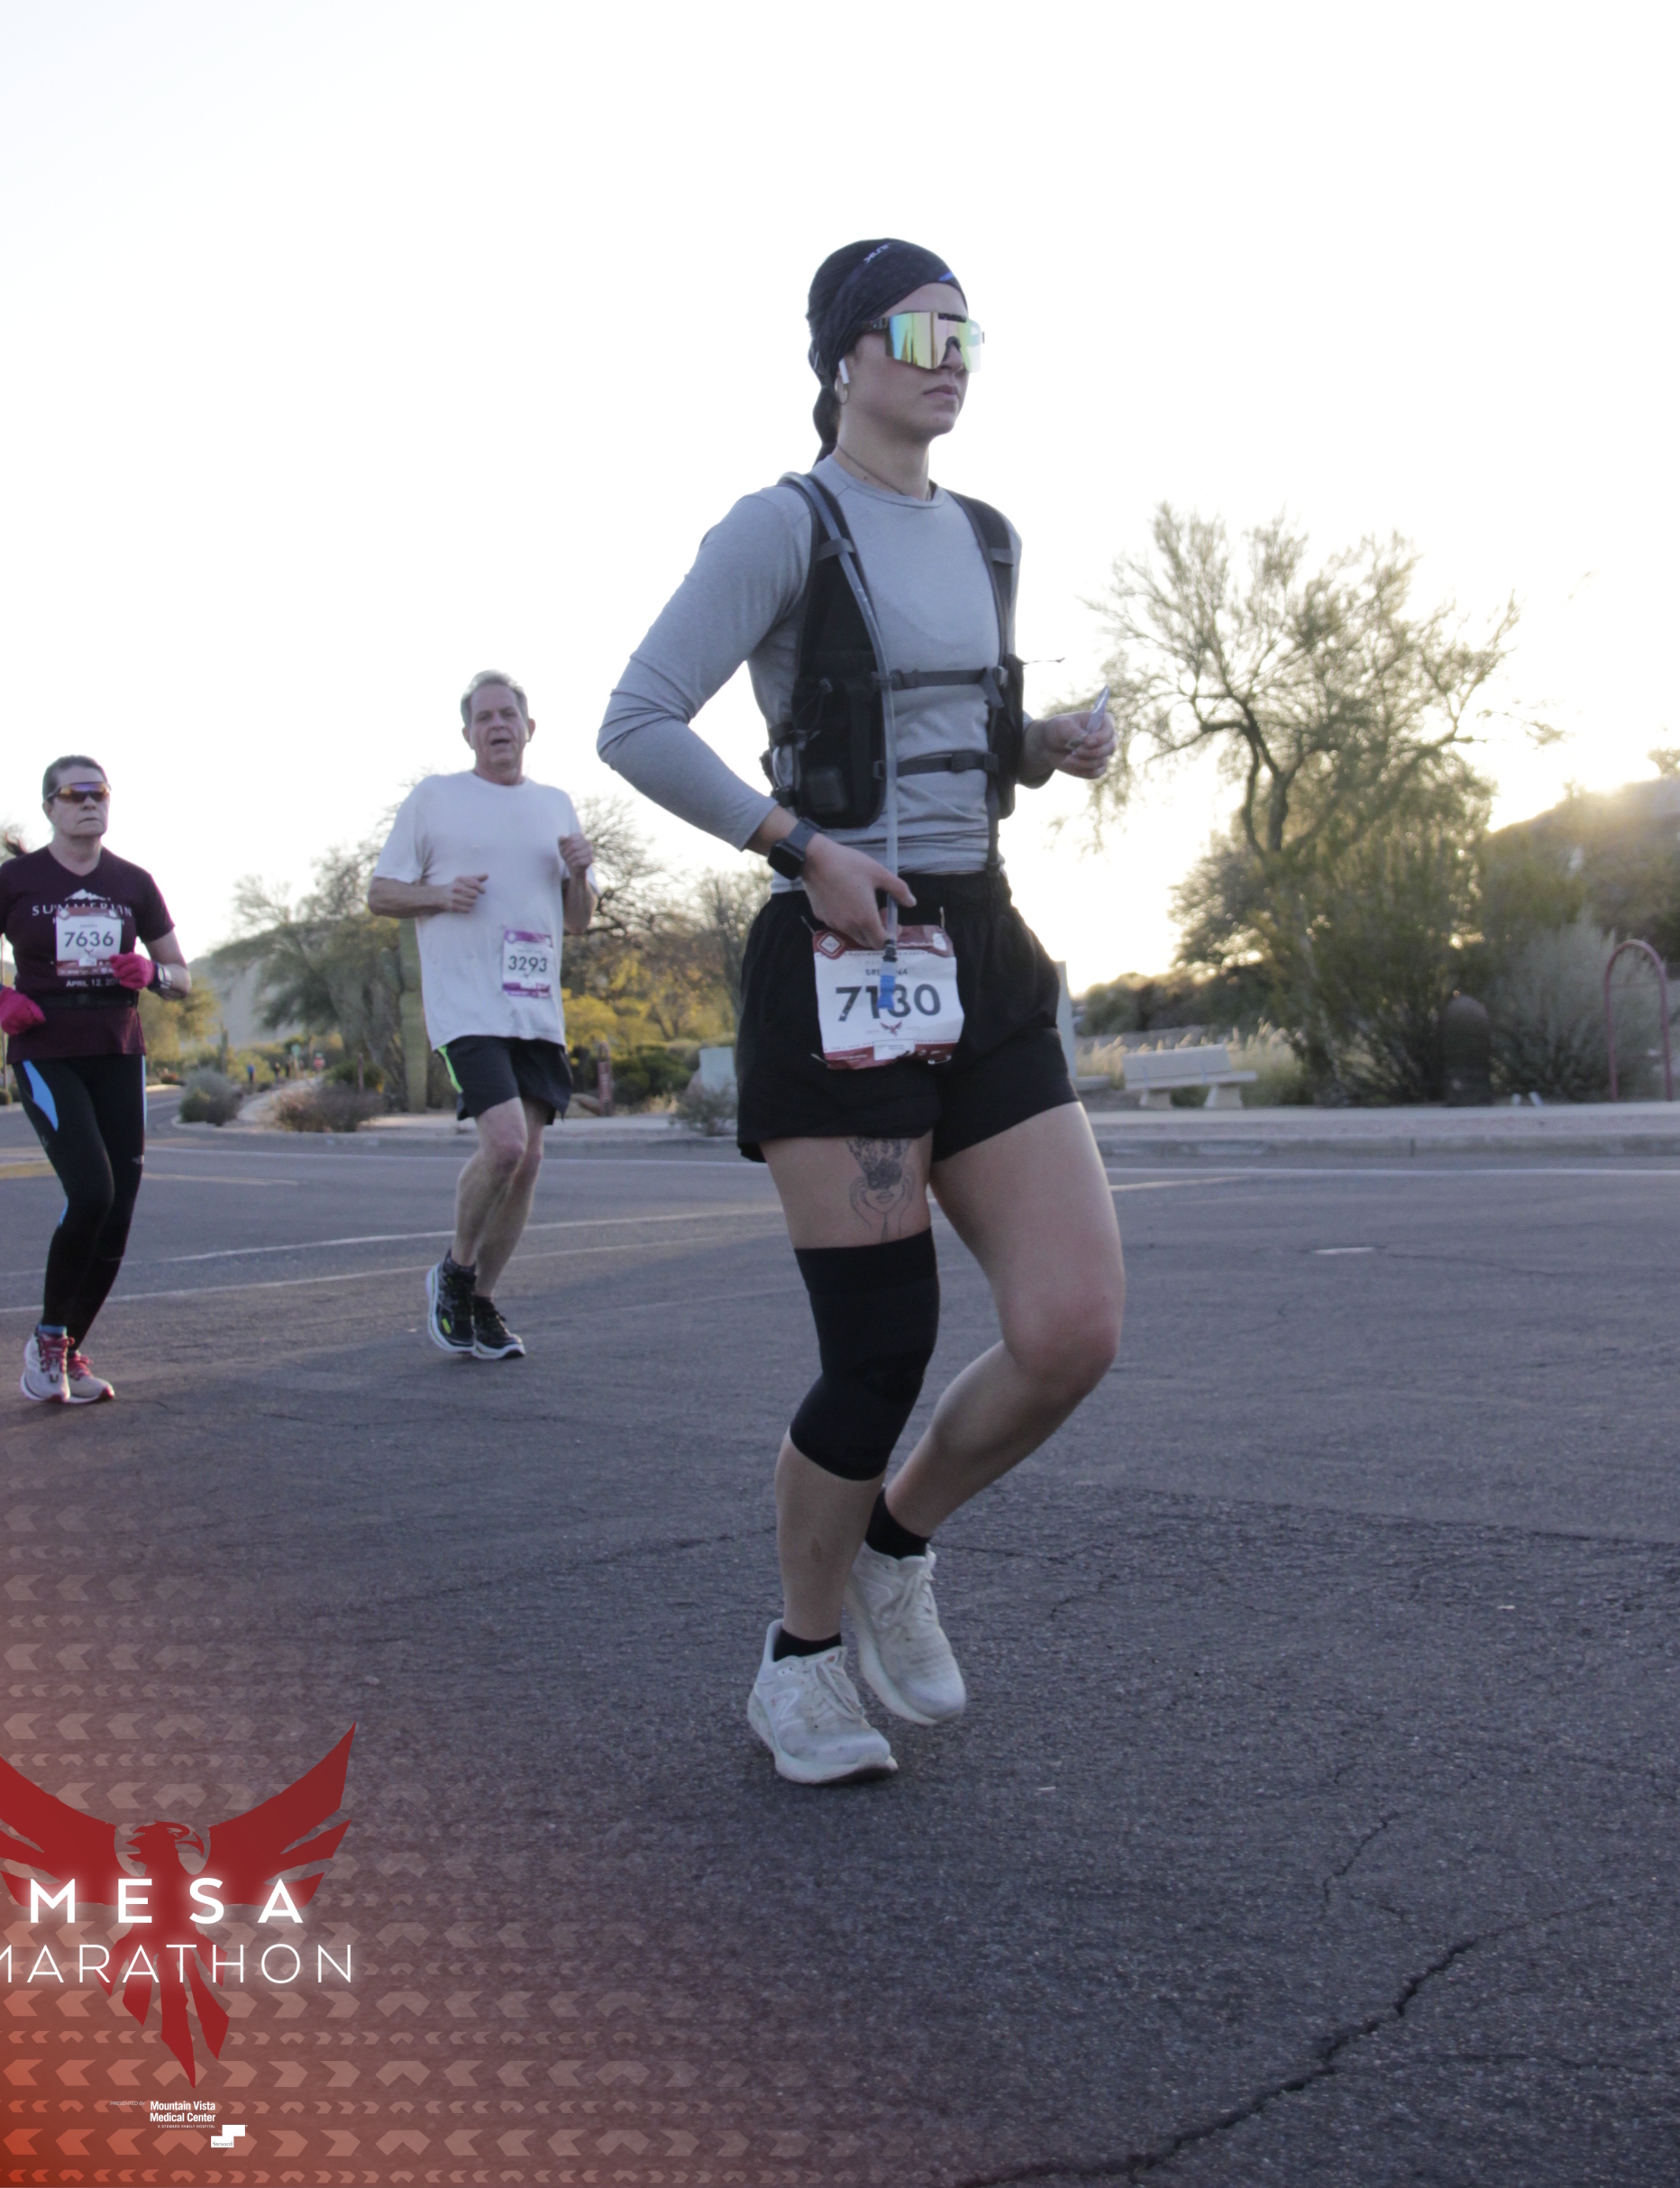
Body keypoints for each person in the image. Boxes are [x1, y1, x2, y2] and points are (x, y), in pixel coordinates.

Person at [599, 238, 1123, 1784]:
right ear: (843, 357)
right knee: (881, 1349)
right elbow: (636, 721)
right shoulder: (782, 525)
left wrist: (1042, 741)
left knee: (1072, 1328)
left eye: (968, 334)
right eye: (916, 332)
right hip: (841, 955)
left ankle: (898, 1541)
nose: (949, 359)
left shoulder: (987, 535)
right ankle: (803, 1657)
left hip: (984, 946)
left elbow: (942, 725)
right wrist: (797, 846)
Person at [0, 760, 192, 1406]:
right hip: (45, 1049)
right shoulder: (17, 881)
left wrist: (152, 974)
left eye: (99, 793)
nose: (89, 803)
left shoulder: (133, 883)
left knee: (119, 1209)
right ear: (49, 808)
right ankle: (50, 1338)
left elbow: (181, 974)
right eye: (74, 794)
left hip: (118, 1049)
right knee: (91, 1191)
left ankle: (66, 1345)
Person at [369, 673, 596, 1362]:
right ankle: (455, 1271)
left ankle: (484, 1301)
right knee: (503, 1145)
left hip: (535, 1007)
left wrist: (580, 875)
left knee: (527, 1162)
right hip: (466, 1004)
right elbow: (381, 893)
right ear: (468, 733)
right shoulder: (435, 798)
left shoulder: (555, 804)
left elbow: (578, 921)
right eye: (484, 717)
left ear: (530, 728)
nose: (498, 726)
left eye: (508, 715)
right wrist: (440, 895)